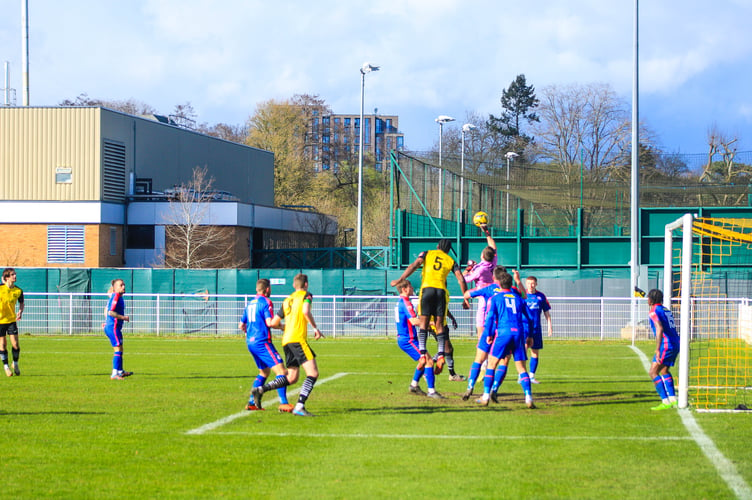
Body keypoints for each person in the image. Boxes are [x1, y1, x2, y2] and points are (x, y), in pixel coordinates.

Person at [390, 239, 469, 376]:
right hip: (441, 292)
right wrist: (466, 298)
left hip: (427, 290)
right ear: (449, 250)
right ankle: (441, 356)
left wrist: (400, 279)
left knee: (423, 325)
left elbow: (415, 265)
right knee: (440, 326)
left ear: (437, 246)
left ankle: (422, 354)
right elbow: (461, 279)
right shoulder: (451, 260)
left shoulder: (427, 253)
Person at [252, 273, 324, 417]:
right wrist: (315, 328)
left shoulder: (287, 300)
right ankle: (299, 406)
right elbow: (305, 311)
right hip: (298, 339)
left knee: (292, 378)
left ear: (293, 285)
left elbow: (273, 323)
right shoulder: (306, 295)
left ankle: (261, 390)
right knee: (313, 373)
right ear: (306, 285)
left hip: (286, 341)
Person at [476, 271, 535, 408]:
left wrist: (489, 334)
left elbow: (490, 318)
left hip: (503, 333)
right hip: (519, 333)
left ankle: (485, 396)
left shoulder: (496, 298)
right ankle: (528, 397)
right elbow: (530, 318)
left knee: (492, 363)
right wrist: (530, 335)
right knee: (521, 368)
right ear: (511, 284)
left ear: (499, 284)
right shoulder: (519, 298)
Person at [239, 279, 293, 413]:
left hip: (250, 342)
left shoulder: (250, 303)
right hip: (262, 341)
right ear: (267, 289)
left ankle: (252, 402)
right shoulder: (266, 302)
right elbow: (270, 323)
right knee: (282, 372)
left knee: (264, 372)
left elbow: (241, 325)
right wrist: (282, 327)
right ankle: (283, 403)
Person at [394, 279, 443, 398]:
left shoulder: (401, 302)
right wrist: (430, 323)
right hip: (408, 340)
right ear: (404, 289)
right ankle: (431, 391)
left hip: (407, 338)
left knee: (423, 360)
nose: (412, 289)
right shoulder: (405, 302)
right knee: (428, 361)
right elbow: (414, 321)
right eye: (410, 286)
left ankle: (414, 385)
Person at [646, 288, 680, 410]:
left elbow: (659, 328)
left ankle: (665, 401)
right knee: (664, 370)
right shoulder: (666, 310)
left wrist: (657, 349)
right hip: (675, 342)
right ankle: (673, 400)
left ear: (651, 300)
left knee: (653, 372)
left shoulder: (653, 311)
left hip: (666, 344)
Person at [463, 223, 497, 341]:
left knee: (481, 322)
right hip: (494, 293)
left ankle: (482, 349)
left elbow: (465, 280)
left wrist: (467, 270)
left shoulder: (480, 269)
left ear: (482, 255)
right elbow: (493, 245)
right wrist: (486, 231)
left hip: (482, 294)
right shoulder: (493, 261)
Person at [524, 276, 552, 383]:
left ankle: (531, 376)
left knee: (535, 353)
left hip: (536, 329)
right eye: (528, 283)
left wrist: (549, 325)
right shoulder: (523, 295)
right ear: (526, 284)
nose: (530, 285)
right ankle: (522, 374)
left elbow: (546, 312)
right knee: (524, 351)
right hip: (525, 329)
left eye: (533, 283)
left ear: (536, 284)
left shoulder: (541, 296)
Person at [103, 278, 133, 380]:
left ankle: (120, 371)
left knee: (121, 348)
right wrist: (123, 317)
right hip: (113, 327)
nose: (124, 287)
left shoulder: (118, 297)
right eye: (121, 285)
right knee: (117, 349)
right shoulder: (116, 296)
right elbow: (110, 312)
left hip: (114, 328)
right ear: (115, 288)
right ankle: (114, 374)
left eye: (124, 285)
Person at [0, 268, 24, 377]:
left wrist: (20, 311)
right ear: (7, 278)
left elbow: (21, 302)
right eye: (12, 274)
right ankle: (6, 367)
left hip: (11, 321)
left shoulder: (18, 291)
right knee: (3, 345)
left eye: (15, 274)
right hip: (0, 321)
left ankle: (15, 363)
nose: (15, 276)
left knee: (15, 344)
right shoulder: (0, 288)